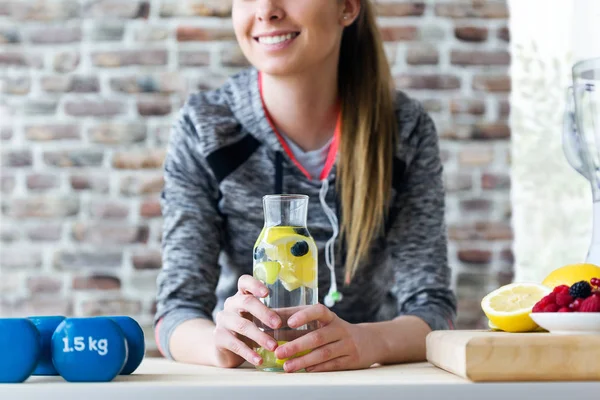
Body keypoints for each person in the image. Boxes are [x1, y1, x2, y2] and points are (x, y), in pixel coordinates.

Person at [154, 0, 457, 373]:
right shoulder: (205, 126)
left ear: (347, 8)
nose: (266, 10)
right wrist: (219, 343)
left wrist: (368, 342)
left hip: (367, 379)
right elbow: (176, 312)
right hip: (253, 377)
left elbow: (433, 309)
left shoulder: (404, 129)